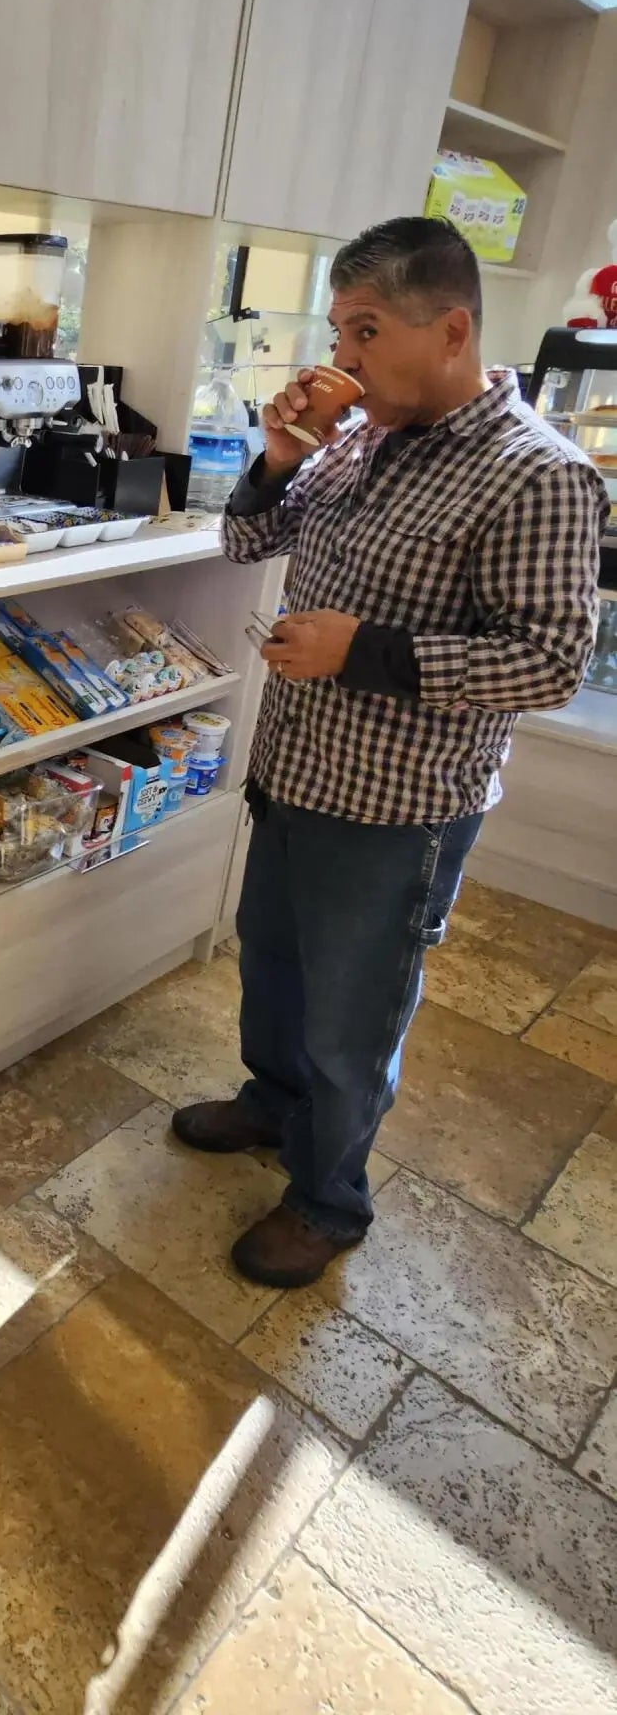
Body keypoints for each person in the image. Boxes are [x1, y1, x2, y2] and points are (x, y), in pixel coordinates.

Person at [178, 215, 606, 1288]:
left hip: (397, 806)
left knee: (352, 1020)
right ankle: (273, 1104)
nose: (345, 356)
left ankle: (329, 1201)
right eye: (340, 331)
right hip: (295, 769)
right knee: (273, 964)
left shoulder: (538, 474)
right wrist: (279, 459)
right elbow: (245, 541)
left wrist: (364, 650)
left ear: (452, 328)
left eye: (366, 330)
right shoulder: (359, 437)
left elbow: (550, 662)